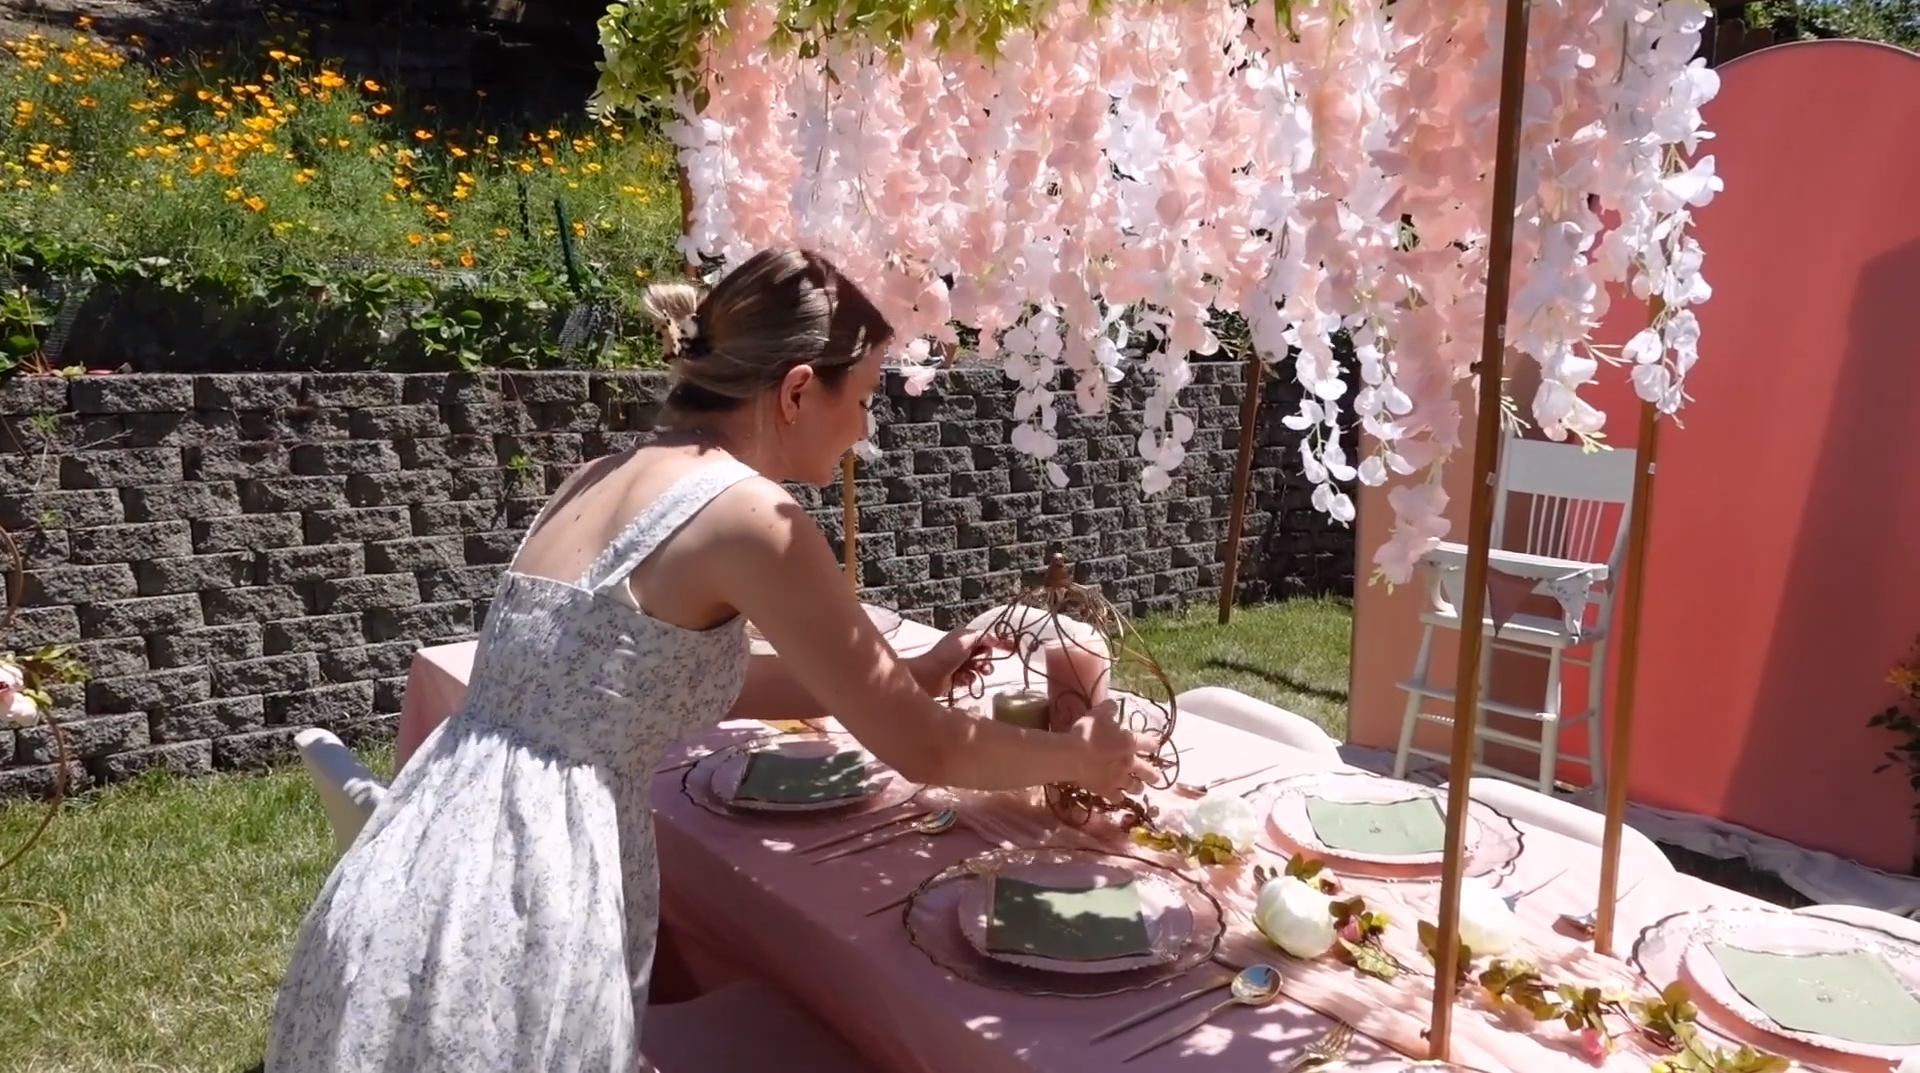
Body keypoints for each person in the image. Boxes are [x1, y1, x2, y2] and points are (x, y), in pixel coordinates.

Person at [265, 246, 1160, 1072]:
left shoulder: (605, 473)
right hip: (530, 886)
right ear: (799, 390)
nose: (864, 428)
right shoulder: (747, 515)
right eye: (866, 397)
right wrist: (1085, 756)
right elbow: (925, 752)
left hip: (426, 846)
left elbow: (642, 676)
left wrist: (911, 672)